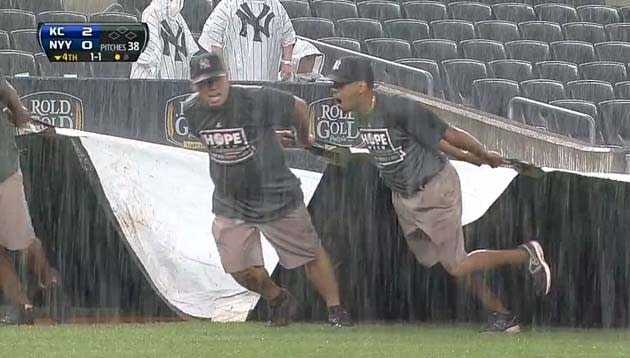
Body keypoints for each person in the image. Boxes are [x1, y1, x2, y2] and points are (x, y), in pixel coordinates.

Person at [326, 56, 552, 332]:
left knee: (456, 264)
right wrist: (470, 159)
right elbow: (435, 143)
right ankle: (502, 315)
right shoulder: (358, 114)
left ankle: (526, 254)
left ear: (362, 86)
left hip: (434, 188)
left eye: (339, 85)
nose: (334, 91)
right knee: (450, 263)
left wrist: (482, 153)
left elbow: (450, 133)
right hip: (404, 198)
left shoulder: (399, 108)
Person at [182, 53, 351, 327]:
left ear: (228, 78)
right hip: (230, 200)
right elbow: (226, 136)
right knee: (238, 269)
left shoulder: (254, 99)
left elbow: (298, 105)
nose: (212, 88)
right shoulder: (191, 111)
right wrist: (267, 137)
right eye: (204, 83)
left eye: (216, 80)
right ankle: (277, 299)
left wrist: (305, 138)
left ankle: (336, 310)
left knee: (310, 252)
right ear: (194, 87)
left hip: (275, 193)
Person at [0, 71, 61, 325]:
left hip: (3, 169)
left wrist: (17, 109)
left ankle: (51, 284)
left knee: (24, 241)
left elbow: (7, 91)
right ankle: (22, 305)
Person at [198, 0, 296, 81]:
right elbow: (213, 37)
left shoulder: (277, 6)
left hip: (268, 82)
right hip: (235, 79)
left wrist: (287, 62)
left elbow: (288, 37)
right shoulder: (228, 4)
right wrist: (220, 66)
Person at [130, 0, 200, 80]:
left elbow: (189, 56)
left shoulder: (179, 20)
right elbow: (146, 61)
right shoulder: (151, 13)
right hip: (149, 84)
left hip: (173, 84)